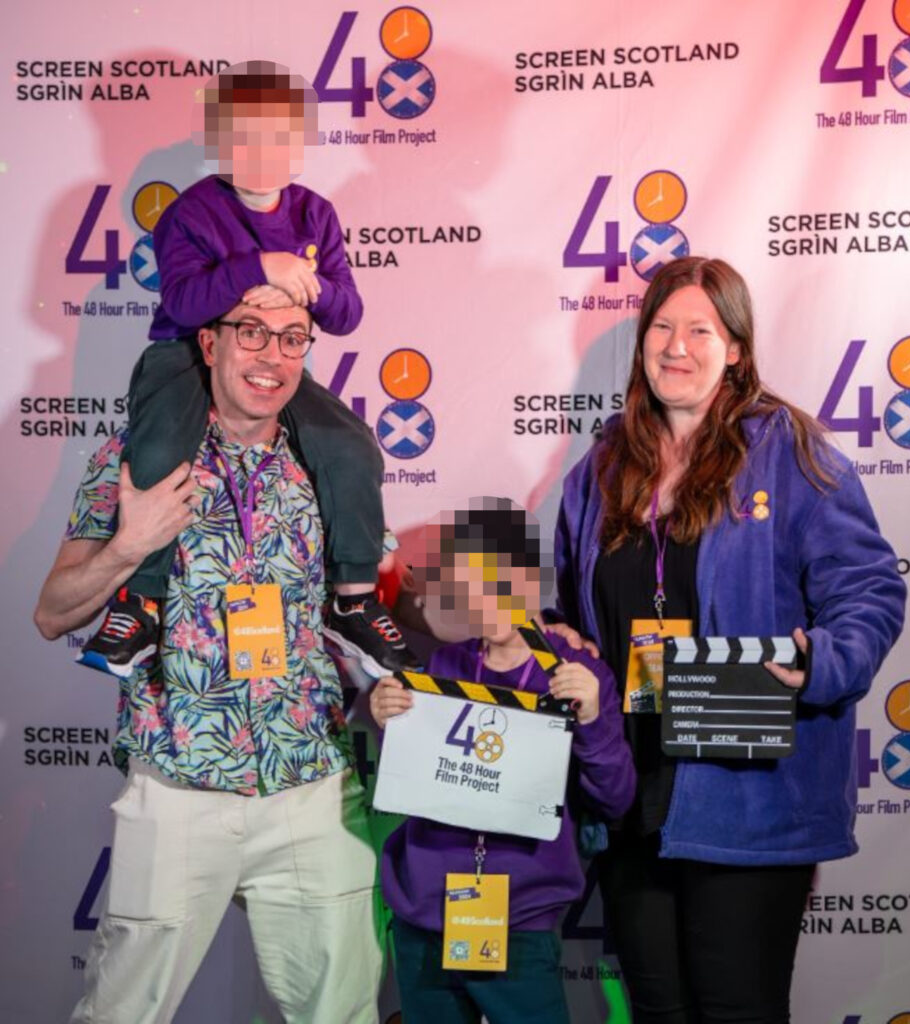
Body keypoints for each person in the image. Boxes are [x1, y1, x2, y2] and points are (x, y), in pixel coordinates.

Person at [553, 256, 906, 1024]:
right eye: (661, 328)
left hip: (747, 796)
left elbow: (869, 594)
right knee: (656, 1010)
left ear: (736, 348)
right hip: (629, 794)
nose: (676, 346)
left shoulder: (792, 453)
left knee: (735, 1009)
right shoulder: (599, 470)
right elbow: (578, 621)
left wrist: (818, 662)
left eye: (700, 331)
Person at [34, 302, 383, 1024]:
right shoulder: (138, 457)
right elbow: (53, 612)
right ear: (209, 341)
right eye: (251, 331)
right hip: (177, 784)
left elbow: (376, 610)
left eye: (292, 339)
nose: (271, 356)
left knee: (340, 1014)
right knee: (121, 1012)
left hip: (309, 785)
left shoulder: (327, 461)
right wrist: (131, 545)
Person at [78, 59, 417, 680]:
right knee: (156, 448)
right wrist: (259, 268)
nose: (261, 152)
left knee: (351, 446)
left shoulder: (316, 214)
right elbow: (181, 302)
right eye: (243, 137)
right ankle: (141, 600)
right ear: (218, 143)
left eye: (278, 138)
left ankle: (353, 599)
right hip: (184, 354)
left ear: (301, 146)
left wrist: (301, 285)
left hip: (271, 358)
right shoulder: (190, 213)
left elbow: (346, 313)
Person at [370, 499, 635, 1024]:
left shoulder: (580, 674)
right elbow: (418, 775)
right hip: (423, 909)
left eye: (497, 581)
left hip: (518, 918)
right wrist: (388, 718)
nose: (481, 599)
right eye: (465, 584)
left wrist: (595, 720)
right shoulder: (444, 664)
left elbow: (615, 795)